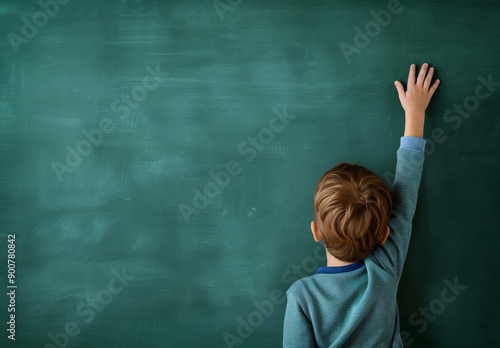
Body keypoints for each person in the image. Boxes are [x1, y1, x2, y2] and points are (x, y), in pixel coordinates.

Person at [283, 63, 440, 347]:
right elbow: (406, 192)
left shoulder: (302, 296)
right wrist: (415, 113)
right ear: (384, 236)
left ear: (316, 231)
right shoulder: (384, 270)